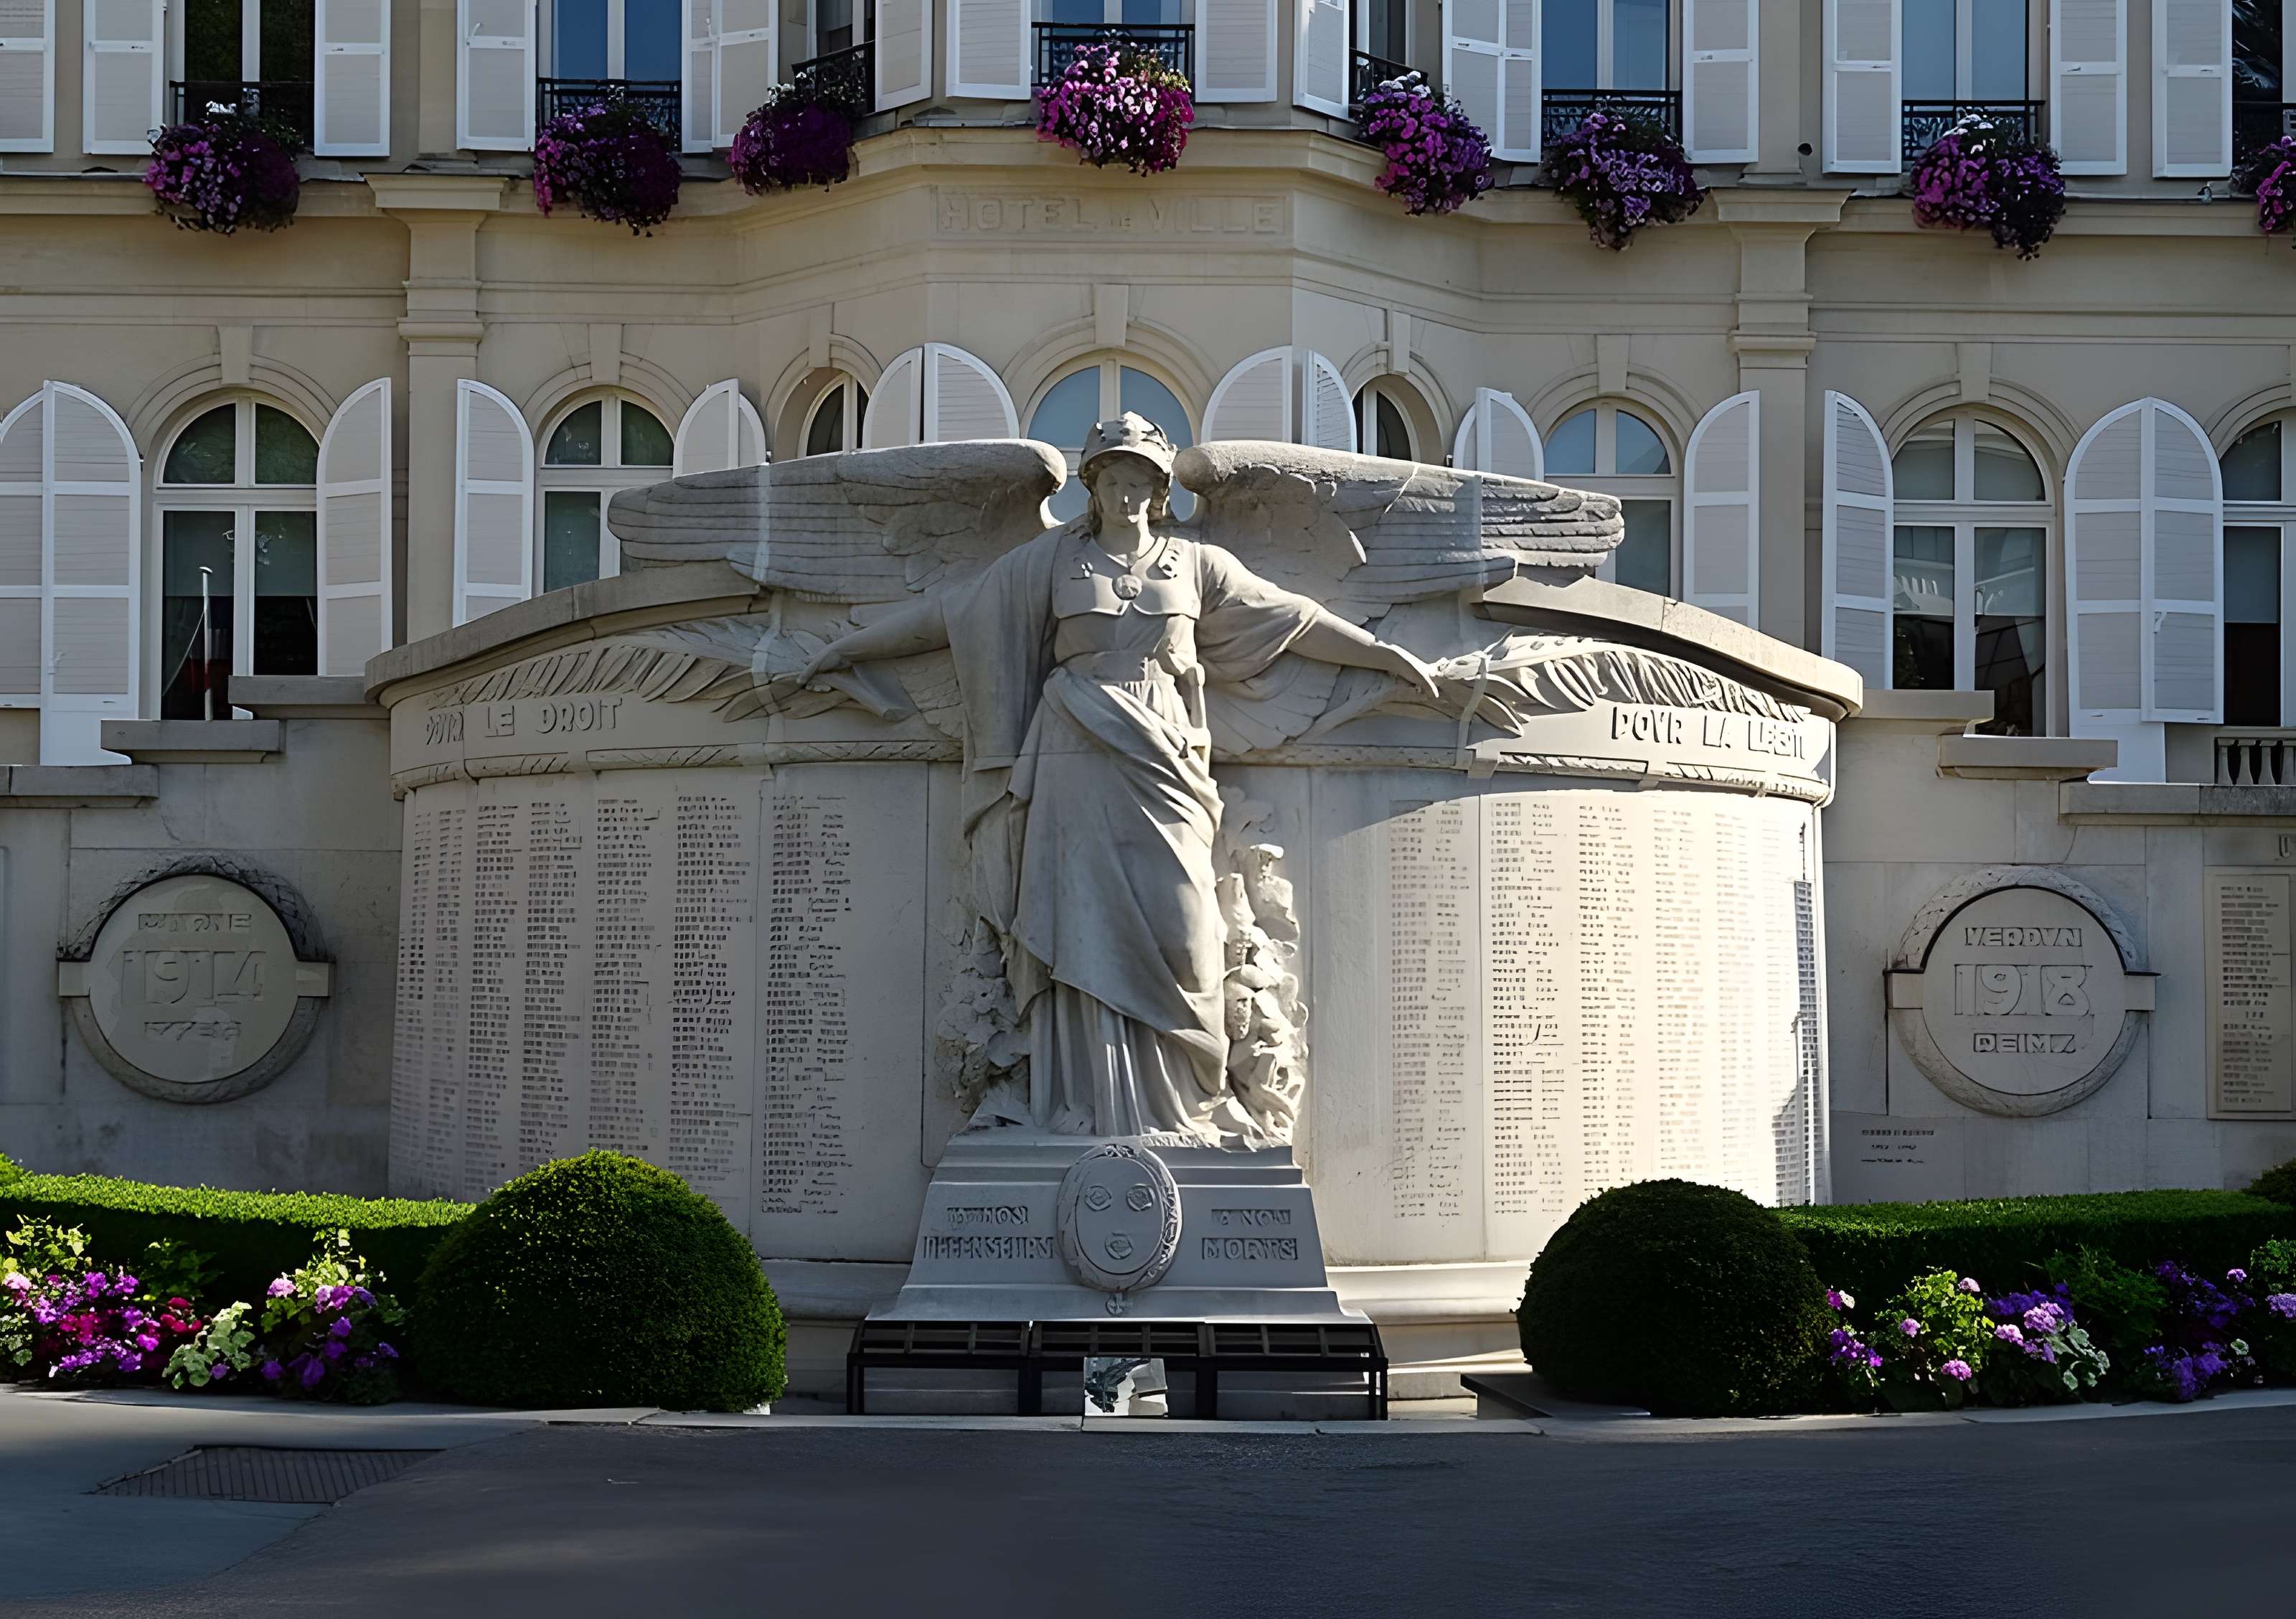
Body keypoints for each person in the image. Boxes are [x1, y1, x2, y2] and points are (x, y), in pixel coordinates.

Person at [796, 413, 1436, 1145]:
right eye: (1112, 480)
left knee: (1188, 925)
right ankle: (1076, 1107)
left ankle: (1190, 1104)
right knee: (1076, 920)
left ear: (1158, 491)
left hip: (1166, 752)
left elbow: (1290, 616)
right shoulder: (1049, 563)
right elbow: (949, 616)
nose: (1126, 494)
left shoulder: (1196, 563)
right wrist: (847, 648)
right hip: (1071, 749)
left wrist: (1381, 655)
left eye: (1140, 482)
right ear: (1092, 489)